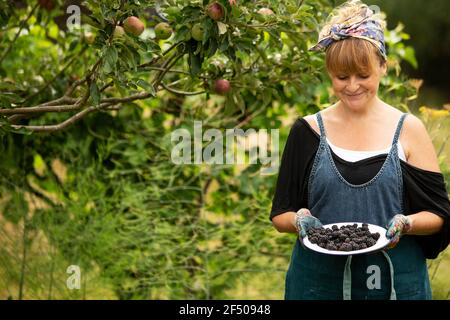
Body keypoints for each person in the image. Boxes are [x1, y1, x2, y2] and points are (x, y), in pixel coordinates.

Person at [270, 0, 450, 300]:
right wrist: (299, 220)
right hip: (316, 286)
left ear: (383, 66)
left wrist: (407, 224)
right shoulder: (307, 131)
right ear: (330, 74)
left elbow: (439, 215)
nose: (352, 86)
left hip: (395, 287)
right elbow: (280, 214)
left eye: (363, 75)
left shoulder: (409, 130)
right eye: (342, 77)